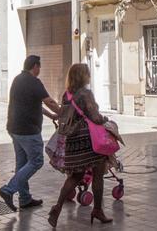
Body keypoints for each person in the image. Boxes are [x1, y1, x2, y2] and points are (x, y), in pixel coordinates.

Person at [47, 63, 112, 227]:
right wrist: (106, 120)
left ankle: (57, 206)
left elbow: (65, 114)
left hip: (72, 141)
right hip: (88, 140)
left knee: (75, 176)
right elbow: (95, 117)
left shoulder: (66, 94)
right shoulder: (85, 94)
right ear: (84, 76)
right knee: (98, 175)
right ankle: (97, 210)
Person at [0, 55, 61, 213]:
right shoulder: (34, 82)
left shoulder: (18, 80)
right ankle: (9, 189)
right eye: (39, 67)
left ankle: (24, 199)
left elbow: (35, 104)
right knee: (36, 161)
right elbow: (50, 102)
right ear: (35, 66)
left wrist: (52, 116)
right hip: (28, 131)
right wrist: (62, 113)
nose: (39, 70)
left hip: (14, 129)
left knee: (21, 164)